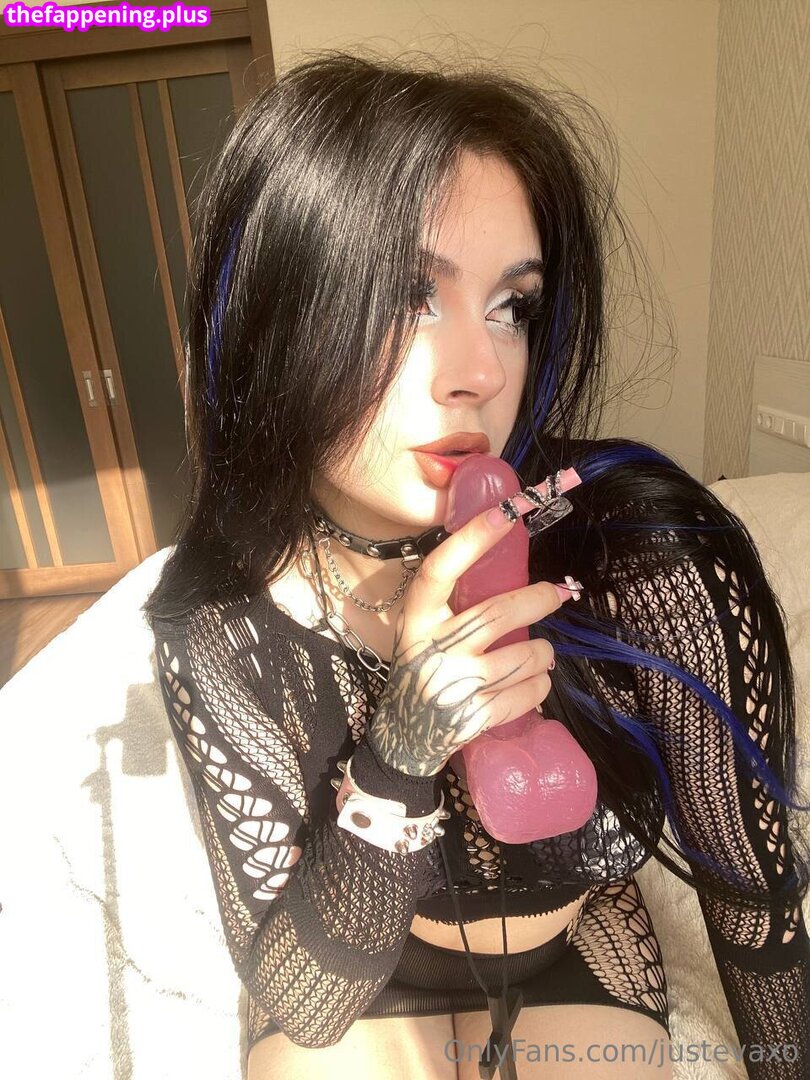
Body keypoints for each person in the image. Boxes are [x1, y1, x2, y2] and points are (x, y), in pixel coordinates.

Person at [143, 50, 810, 1079]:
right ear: (278, 315)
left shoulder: (641, 548)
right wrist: (399, 754)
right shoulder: (221, 617)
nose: (483, 371)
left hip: (571, 948)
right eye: (409, 297)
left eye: (512, 306)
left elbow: (753, 895)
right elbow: (303, 1001)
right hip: (360, 967)